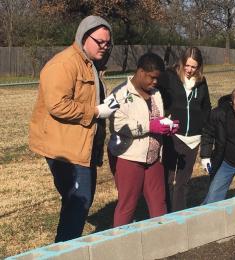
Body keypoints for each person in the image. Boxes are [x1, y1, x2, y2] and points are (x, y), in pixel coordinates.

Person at [28, 16, 117, 242]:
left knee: (76, 202)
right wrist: (96, 112)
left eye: (108, 43)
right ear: (84, 37)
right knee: (79, 202)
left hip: (82, 147)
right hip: (66, 149)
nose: (105, 47)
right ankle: (66, 250)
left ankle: (65, 248)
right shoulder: (64, 64)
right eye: (100, 42)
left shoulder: (91, 65)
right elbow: (57, 104)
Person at [107, 53, 178, 227]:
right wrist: (150, 126)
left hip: (154, 158)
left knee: (158, 203)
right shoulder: (118, 93)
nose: (155, 82)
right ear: (140, 72)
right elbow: (118, 126)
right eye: (152, 78)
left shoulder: (156, 93)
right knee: (128, 204)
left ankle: (161, 241)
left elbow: (156, 117)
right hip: (129, 158)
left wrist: (166, 125)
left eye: (157, 79)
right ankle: (120, 244)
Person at [159, 47, 211, 212]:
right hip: (174, 135)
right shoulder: (170, 77)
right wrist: (164, 116)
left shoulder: (202, 82)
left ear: (199, 67)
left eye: (193, 67)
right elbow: (156, 95)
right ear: (181, 63)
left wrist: (205, 129)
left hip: (193, 139)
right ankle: (164, 211)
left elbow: (206, 108)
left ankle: (178, 212)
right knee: (168, 177)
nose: (189, 70)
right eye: (187, 65)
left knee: (183, 180)